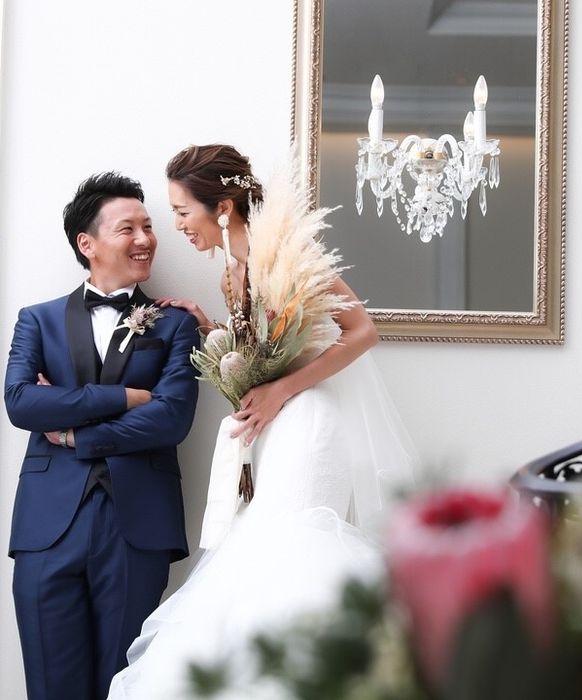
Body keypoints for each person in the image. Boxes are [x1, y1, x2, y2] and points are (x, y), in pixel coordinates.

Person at [107, 145, 416, 699]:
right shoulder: (233, 272)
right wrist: (212, 331)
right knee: (259, 556)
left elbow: (362, 332)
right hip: (269, 430)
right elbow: (265, 349)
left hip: (308, 423)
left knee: (294, 551)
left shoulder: (287, 256)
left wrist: (281, 391)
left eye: (182, 211)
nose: (178, 226)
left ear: (223, 207)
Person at [4, 173, 200, 700]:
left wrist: (74, 434)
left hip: (138, 526)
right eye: (127, 228)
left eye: (148, 227)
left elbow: (171, 418)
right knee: (51, 686)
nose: (145, 239)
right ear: (86, 244)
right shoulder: (37, 320)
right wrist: (121, 398)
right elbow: (21, 402)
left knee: (126, 684)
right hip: (47, 527)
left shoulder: (176, 325)